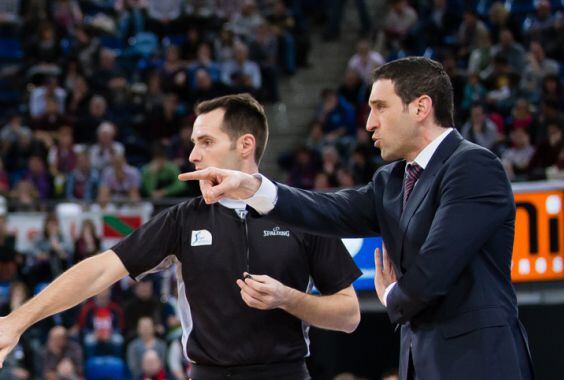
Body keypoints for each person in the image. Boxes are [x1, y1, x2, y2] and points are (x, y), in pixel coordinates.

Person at [180, 57, 533, 380]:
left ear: (421, 107)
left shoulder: (473, 166)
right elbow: (326, 210)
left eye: (380, 107)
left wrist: (393, 294)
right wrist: (252, 186)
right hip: (424, 362)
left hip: (481, 363)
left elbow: (437, 267)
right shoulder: (391, 180)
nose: (369, 123)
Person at [0, 94, 361, 380]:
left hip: (286, 372)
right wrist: (16, 322)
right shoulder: (182, 220)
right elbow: (99, 270)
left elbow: (349, 315)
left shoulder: (302, 213)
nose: (192, 155)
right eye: (193, 142)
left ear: (245, 145)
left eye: (205, 141)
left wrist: (288, 298)